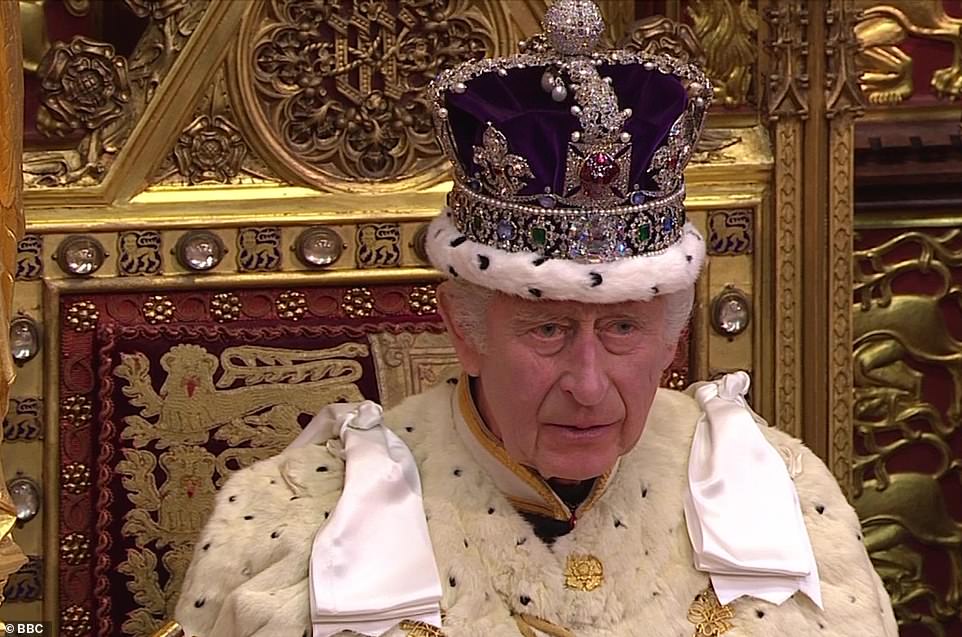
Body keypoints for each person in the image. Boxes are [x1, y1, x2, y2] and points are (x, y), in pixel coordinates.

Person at [175, 1, 897, 635]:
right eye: (548, 329)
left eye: (621, 328)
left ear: (672, 335)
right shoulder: (304, 518)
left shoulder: (779, 495)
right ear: (465, 329)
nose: (587, 385)